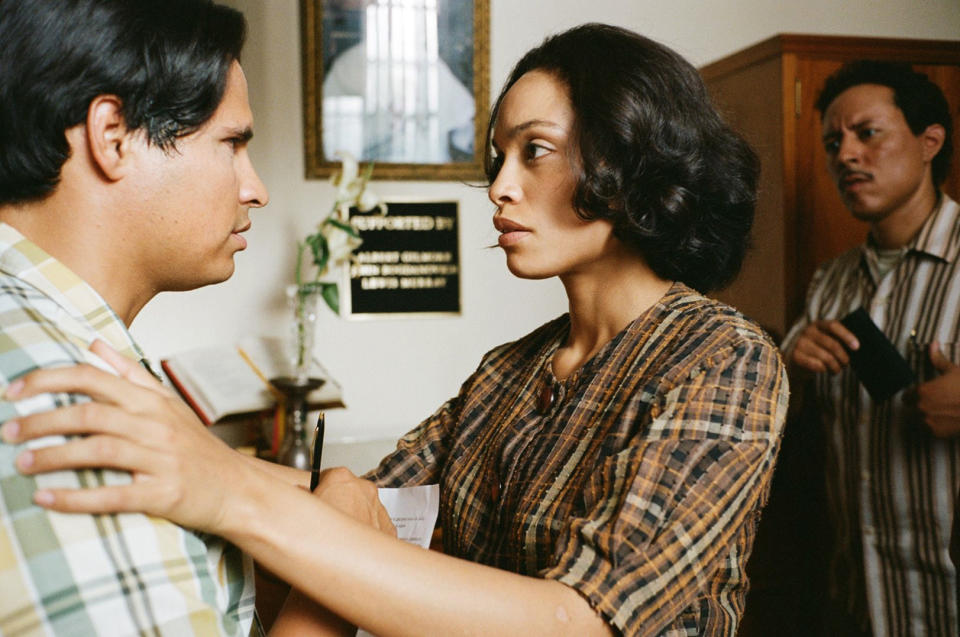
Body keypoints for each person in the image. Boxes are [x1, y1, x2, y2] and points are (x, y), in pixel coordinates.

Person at [2, 24, 789, 636]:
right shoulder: (508, 373)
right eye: (497, 156)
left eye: (535, 152)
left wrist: (224, 482)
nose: (500, 187)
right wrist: (183, 442)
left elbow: (582, 619)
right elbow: (374, 499)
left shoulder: (724, 358)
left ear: (631, 156)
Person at [0, 0, 271, 634]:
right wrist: (330, 596)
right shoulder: (67, 397)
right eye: (230, 143)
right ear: (112, 136)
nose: (254, 186)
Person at [780, 60, 958, 635]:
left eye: (867, 133)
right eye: (834, 142)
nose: (846, 156)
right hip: (855, 599)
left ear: (929, 141)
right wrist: (790, 367)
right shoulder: (828, 283)